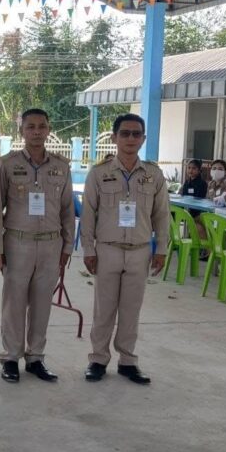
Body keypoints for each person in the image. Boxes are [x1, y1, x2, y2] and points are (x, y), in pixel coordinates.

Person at [81, 113, 169, 386]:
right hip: (107, 249)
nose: (131, 138)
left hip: (139, 250)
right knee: (104, 309)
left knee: (131, 310)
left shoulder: (153, 174)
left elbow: (162, 215)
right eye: (125, 133)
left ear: (143, 138)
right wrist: (88, 249)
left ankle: (128, 361)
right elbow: (88, 214)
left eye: (136, 134)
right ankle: (98, 359)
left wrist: (161, 248)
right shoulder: (99, 173)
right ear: (114, 137)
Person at [0, 108, 75, 384]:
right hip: (17, 243)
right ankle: (11, 357)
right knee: (14, 304)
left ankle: (36, 357)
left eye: (42, 126)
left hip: (51, 244)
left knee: (42, 304)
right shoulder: (7, 164)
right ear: (22, 131)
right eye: (31, 127)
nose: (37, 132)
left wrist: (68, 246)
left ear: (49, 130)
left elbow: (67, 210)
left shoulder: (61, 166)